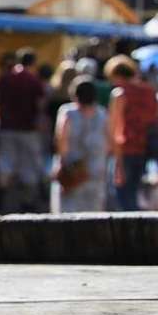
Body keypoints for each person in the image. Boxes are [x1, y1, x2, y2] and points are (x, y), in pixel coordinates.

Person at [0, 48, 46, 212]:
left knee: (6, 161)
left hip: (7, 127)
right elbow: (40, 103)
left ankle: (1, 197)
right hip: (28, 128)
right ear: (34, 63)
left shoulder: (5, 77)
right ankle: (27, 202)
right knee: (28, 164)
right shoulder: (33, 80)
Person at [105, 54, 158, 211]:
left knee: (122, 197)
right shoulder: (149, 91)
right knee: (135, 193)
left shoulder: (120, 94)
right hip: (145, 148)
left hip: (125, 149)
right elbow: (156, 118)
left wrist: (116, 157)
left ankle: (129, 234)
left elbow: (114, 127)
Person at [51, 76, 108, 213]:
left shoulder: (68, 112)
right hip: (96, 167)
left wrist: (61, 163)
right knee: (94, 210)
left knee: (68, 209)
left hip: (72, 166)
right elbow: (109, 140)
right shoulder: (103, 113)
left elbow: (61, 138)